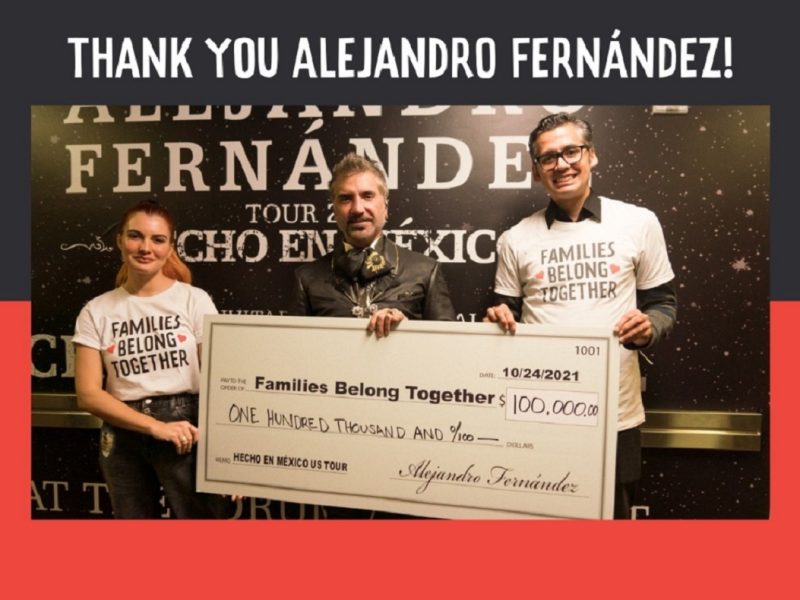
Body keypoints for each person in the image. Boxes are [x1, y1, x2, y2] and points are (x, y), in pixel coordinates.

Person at [484, 112, 677, 519]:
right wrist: (497, 321)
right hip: (538, 414)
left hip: (616, 413)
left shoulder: (639, 223)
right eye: (548, 157)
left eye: (571, 151)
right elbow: (505, 316)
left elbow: (663, 305)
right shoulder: (515, 239)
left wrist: (649, 328)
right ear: (537, 172)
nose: (561, 164)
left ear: (592, 156)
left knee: (613, 517)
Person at [290, 152, 457, 518]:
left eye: (367, 196)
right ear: (334, 208)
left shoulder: (425, 271)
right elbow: (295, 371)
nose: (357, 207)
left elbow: (453, 362)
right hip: (336, 444)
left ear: (385, 206)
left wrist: (409, 334)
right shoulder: (307, 278)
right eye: (345, 198)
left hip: (410, 443)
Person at [73, 200, 231, 519]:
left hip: (188, 429)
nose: (145, 247)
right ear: (120, 240)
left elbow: (221, 381)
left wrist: (229, 457)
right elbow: (88, 395)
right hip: (122, 432)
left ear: (170, 246)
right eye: (135, 236)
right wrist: (156, 427)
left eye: (158, 240)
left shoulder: (193, 300)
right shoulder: (96, 310)